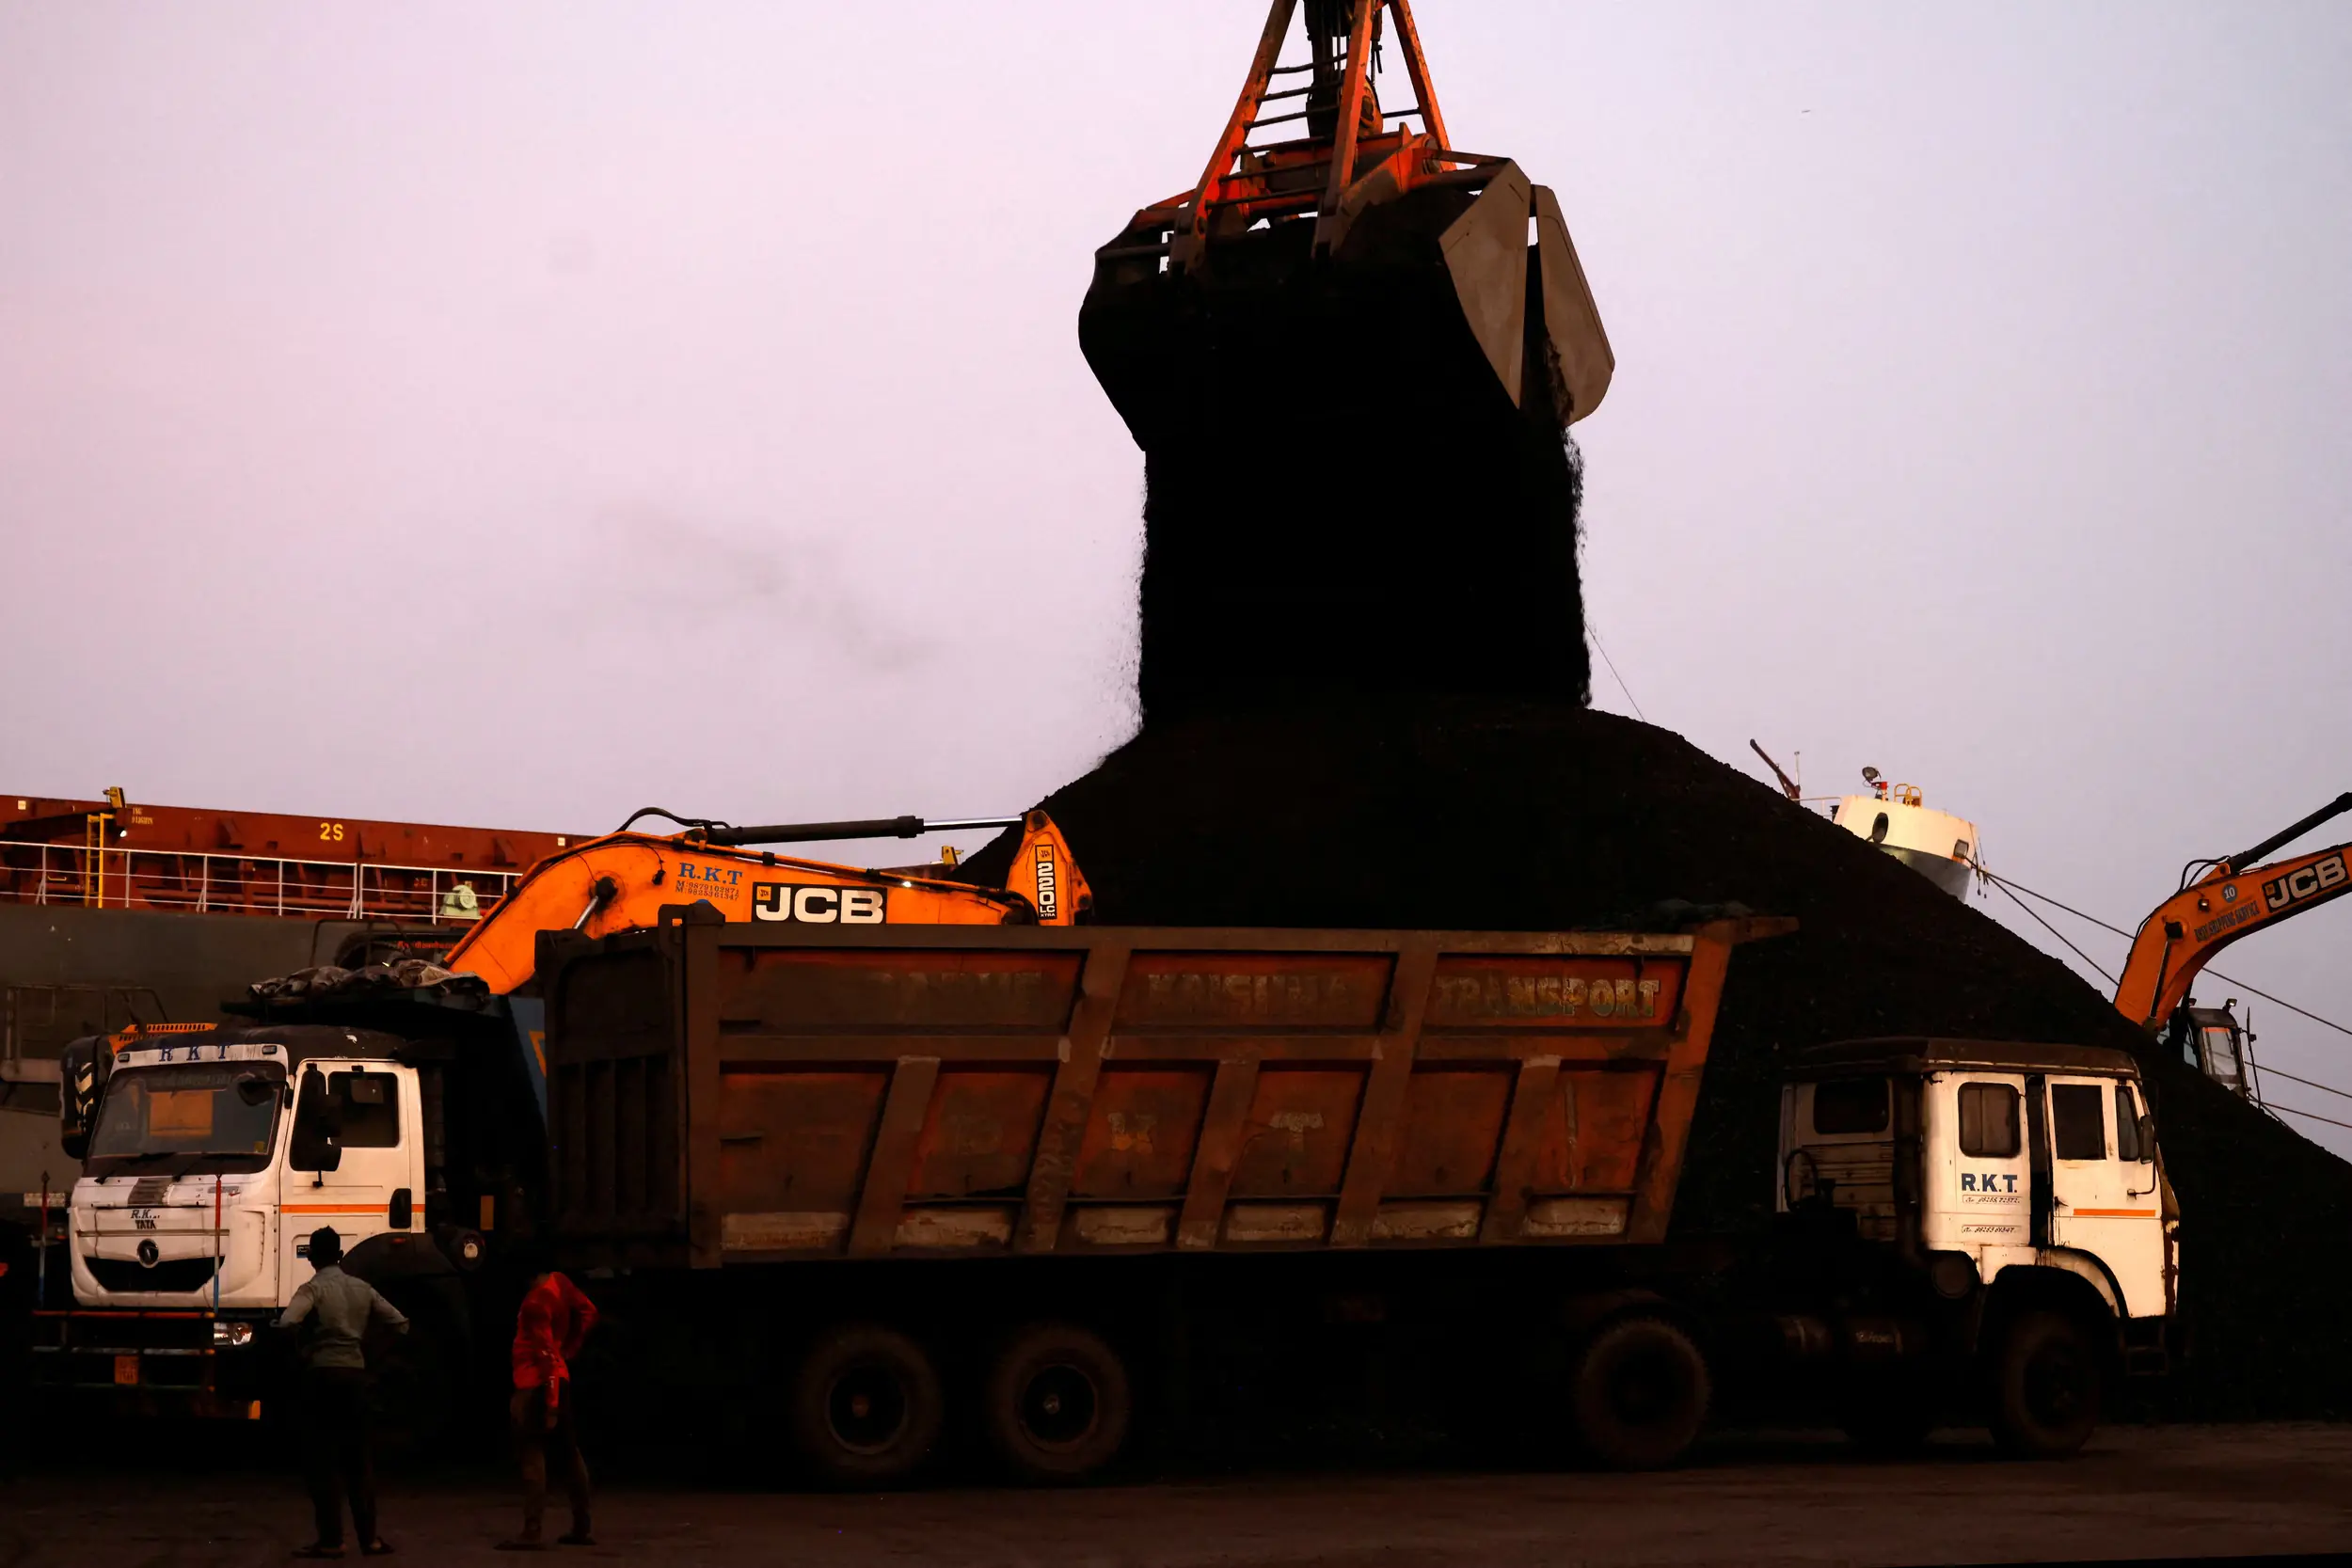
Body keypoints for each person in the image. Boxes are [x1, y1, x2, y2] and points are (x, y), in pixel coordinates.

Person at [278, 1226, 407, 1559]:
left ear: (313, 1258)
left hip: (322, 1379)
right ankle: (370, 1540)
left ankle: (332, 1540)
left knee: (322, 1463)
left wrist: (304, 1351)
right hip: (356, 1377)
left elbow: (288, 1322)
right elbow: (400, 1323)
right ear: (338, 1256)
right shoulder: (361, 1288)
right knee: (359, 1462)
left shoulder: (312, 1289)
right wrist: (373, 1352)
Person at [498, 1254, 598, 1551]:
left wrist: (551, 1404)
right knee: (570, 1454)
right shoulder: (561, 1283)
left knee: (532, 1456)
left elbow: (544, 1357)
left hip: (536, 1385)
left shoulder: (534, 1304)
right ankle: (582, 1526)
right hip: (559, 1378)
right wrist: (570, 1347)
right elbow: (589, 1312)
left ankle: (532, 1531)